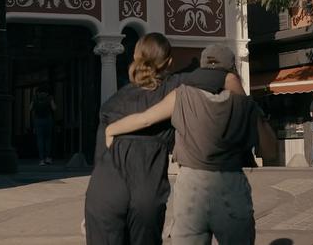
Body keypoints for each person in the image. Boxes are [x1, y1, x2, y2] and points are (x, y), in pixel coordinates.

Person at [105, 45, 258, 245]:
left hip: (191, 184)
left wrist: (111, 129)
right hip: (230, 181)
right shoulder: (241, 102)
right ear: (231, 68)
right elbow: (268, 145)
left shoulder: (182, 94)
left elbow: (145, 120)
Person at [84, 34, 228, 245]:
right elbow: (219, 78)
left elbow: (100, 158)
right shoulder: (175, 86)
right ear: (169, 62)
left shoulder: (112, 103)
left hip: (103, 191)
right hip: (146, 187)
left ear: (134, 56)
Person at [30, 86, 56, 166]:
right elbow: (54, 108)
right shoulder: (49, 98)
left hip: (38, 120)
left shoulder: (35, 98)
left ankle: (41, 160)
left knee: (40, 140)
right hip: (48, 119)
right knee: (48, 139)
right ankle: (47, 158)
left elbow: (30, 108)